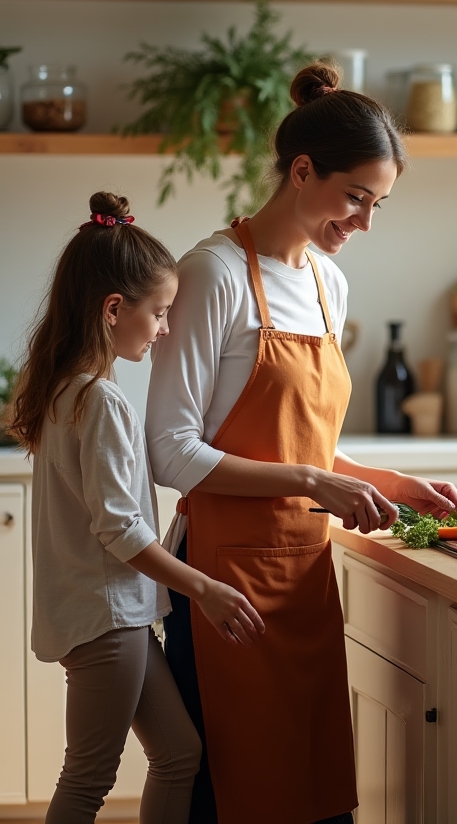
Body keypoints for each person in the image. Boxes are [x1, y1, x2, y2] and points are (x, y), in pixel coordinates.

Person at [146, 63, 457, 824]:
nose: (364, 222)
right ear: (300, 171)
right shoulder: (213, 274)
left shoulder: (329, 283)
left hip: (302, 576)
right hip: (221, 584)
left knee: (315, 794)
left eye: (378, 203)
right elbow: (169, 449)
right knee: (231, 792)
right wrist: (317, 484)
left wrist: (383, 481)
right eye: (355, 197)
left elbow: (308, 446)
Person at [6, 192, 263, 824]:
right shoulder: (101, 403)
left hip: (104, 617)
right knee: (89, 779)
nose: (167, 328)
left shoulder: (64, 391)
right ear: (114, 309)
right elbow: (120, 530)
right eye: (161, 312)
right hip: (108, 621)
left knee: (179, 753)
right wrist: (203, 588)